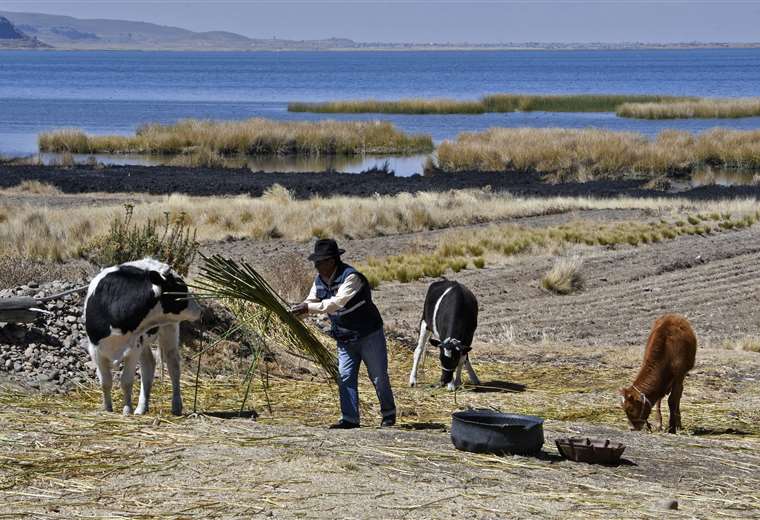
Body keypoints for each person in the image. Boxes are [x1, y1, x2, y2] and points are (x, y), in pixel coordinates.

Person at [291, 238, 396, 429]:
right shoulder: (319, 281)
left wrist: (307, 308)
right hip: (344, 338)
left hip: (368, 334)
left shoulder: (351, 277)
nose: (316, 266)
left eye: (320, 262)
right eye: (315, 262)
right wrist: (296, 313)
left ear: (332, 261)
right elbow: (311, 300)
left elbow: (335, 303)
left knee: (379, 377)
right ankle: (350, 419)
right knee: (345, 376)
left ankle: (388, 414)